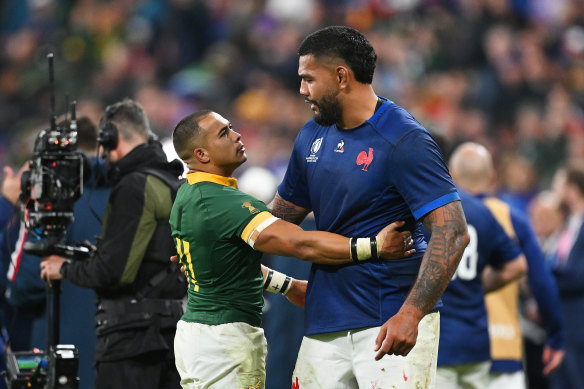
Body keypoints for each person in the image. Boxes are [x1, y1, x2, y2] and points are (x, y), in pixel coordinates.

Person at [271, 26, 470, 388]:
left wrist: (412, 314)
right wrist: (214, 241)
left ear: (341, 76)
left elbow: (453, 231)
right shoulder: (310, 137)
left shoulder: (404, 139)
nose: (301, 90)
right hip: (324, 320)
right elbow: (277, 222)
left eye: (308, 79)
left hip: (388, 319)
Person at [169, 110, 416, 389]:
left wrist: (287, 286)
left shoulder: (190, 194)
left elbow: (232, 267)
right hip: (222, 337)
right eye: (224, 133)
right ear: (202, 154)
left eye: (232, 127)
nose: (237, 136)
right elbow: (300, 243)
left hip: (206, 336)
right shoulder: (221, 202)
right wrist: (373, 247)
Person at [39, 98, 186, 389]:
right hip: (171, 333)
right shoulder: (173, 182)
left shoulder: (134, 186)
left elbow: (113, 272)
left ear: (111, 138)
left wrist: (65, 268)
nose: (102, 156)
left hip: (132, 341)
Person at [448, 143, 565, 388]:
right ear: (491, 177)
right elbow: (542, 283)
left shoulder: (439, 217)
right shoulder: (510, 218)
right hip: (503, 348)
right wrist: (555, 335)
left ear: (452, 176)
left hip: (449, 348)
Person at [546, 164, 584, 389]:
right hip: (565, 323)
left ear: (571, 188)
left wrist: (543, 275)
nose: (554, 189)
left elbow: (579, 277)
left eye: (558, 183)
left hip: (577, 326)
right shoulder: (571, 223)